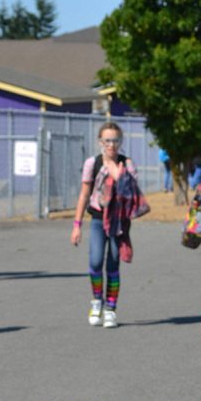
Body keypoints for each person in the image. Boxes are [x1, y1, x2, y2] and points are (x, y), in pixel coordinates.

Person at [70, 121, 143, 329]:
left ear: (121, 142)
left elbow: (133, 194)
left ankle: (110, 309)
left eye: (116, 140)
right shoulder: (92, 163)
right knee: (94, 262)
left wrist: (118, 174)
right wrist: (76, 225)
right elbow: (85, 194)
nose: (111, 145)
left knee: (112, 264)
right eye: (107, 140)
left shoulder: (126, 163)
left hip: (118, 221)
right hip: (97, 218)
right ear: (100, 142)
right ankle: (96, 301)